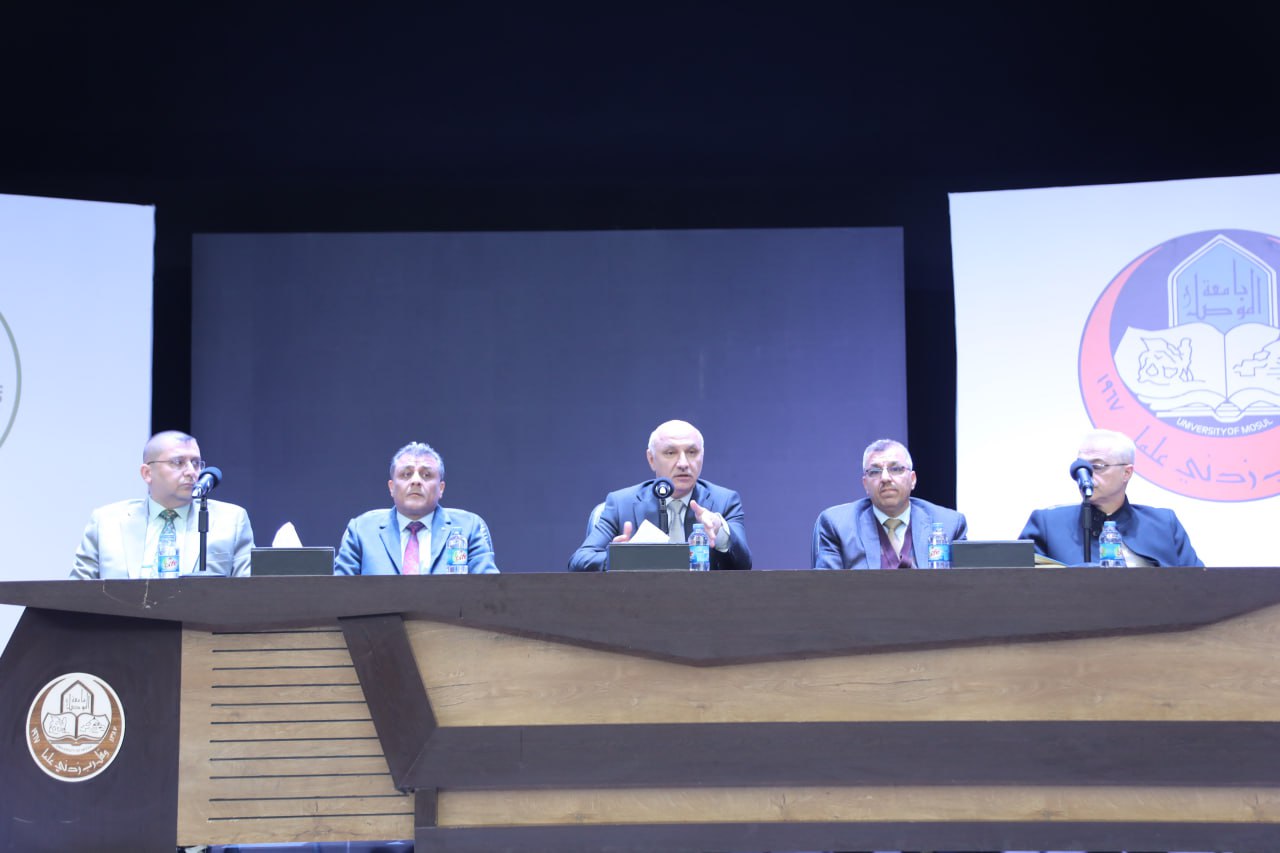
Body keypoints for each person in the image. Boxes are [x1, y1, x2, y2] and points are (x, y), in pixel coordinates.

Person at [569, 419, 751, 572]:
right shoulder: (621, 504)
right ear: (651, 459)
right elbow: (579, 561)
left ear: (702, 456)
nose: (683, 463)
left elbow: (744, 565)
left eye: (692, 452)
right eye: (670, 453)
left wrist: (720, 531)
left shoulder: (724, 501)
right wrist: (621, 558)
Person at [72, 430, 254, 579]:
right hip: (123, 613)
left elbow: (248, 593)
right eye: (178, 462)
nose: (191, 472)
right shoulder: (106, 521)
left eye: (196, 463)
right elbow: (77, 594)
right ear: (147, 473)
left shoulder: (231, 520)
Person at [1019, 428, 1203, 567]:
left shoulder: (1163, 524)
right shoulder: (1047, 523)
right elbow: (1019, 583)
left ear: (1126, 473)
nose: (1086, 475)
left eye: (1098, 466)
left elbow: (1199, 584)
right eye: (1082, 467)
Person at [335, 441, 498, 575]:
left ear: (441, 488)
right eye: (406, 474)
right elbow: (337, 592)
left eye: (426, 475)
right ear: (391, 487)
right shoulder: (362, 530)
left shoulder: (468, 528)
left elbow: (490, 591)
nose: (416, 481)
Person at [811, 438, 967, 569]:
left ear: (912, 480)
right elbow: (826, 588)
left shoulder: (949, 523)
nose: (885, 478)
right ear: (865, 484)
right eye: (875, 471)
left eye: (896, 469)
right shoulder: (838, 525)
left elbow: (965, 587)